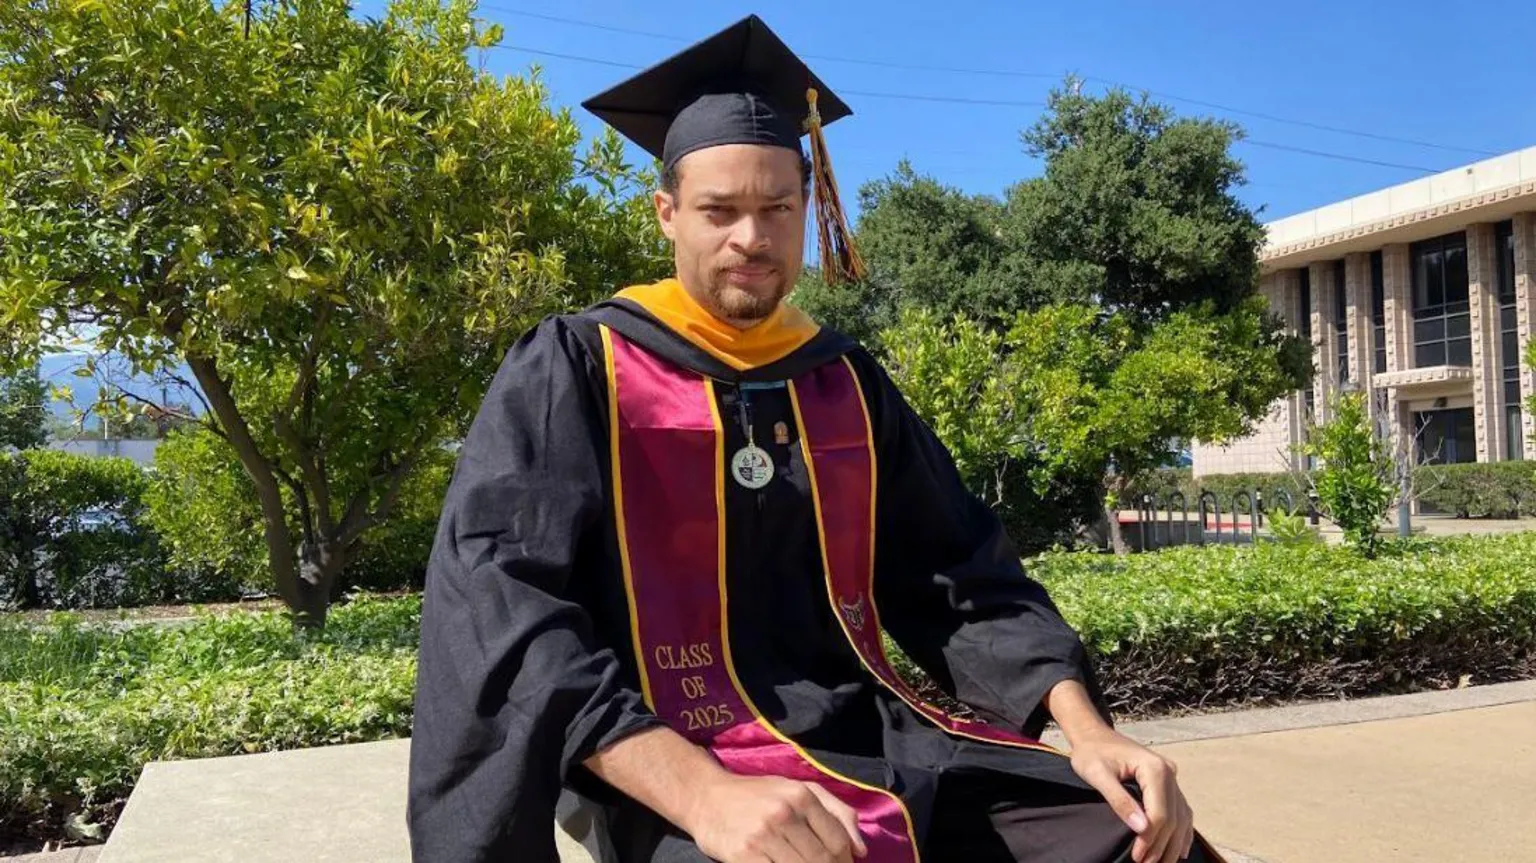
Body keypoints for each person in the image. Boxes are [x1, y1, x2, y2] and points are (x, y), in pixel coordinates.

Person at [408, 14, 1221, 863]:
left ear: (809, 208)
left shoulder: (840, 380)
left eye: (777, 209)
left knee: (1146, 844)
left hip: (879, 737)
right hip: (671, 760)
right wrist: (702, 795)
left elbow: (962, 574)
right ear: (666, 214)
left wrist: (1086, 731)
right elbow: (503, 610)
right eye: (719, 210)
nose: (751, 239)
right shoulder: (580, 366)